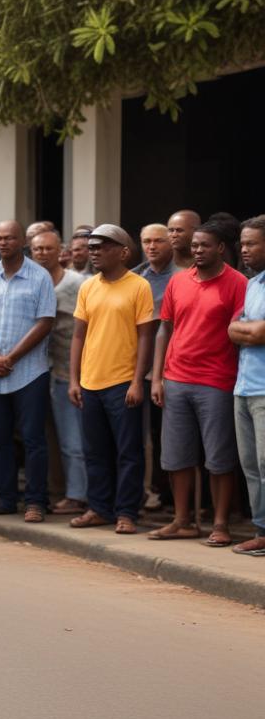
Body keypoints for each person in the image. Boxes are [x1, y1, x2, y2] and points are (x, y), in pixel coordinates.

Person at [148, 222, 247, 547]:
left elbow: (240, 332)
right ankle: (182, 521)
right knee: (176, 457)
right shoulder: (179, 281)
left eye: (205, 245)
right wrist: (158, 376)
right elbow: (165, 329)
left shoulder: (238, 283)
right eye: (195, 246)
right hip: (176, 379)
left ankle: (219, 523)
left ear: (220, 248)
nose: (198, 251)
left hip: (217, 380)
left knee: (218, 458)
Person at [67, 224, 156, 535]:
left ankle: (127, 513)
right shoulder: (88, 287)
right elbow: (78, 335)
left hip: (123, 383)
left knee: (128, 452)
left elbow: (147, 337)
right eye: (91, 247)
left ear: (123, 252)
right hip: (90, 382)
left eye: (102, 246)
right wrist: (74, 380)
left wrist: (137, 381)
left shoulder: (139, 286)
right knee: (95, 451)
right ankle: (99, 508)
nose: (94, 252)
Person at [0, 220, 56, 523]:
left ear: (22, 240)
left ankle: (36, 501)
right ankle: (5, 498)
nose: (3, 243)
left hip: (30, 371)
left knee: (33, 439)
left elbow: (45, 321)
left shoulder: (40, 277)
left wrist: (11, 357)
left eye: (10, 238)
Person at [31, 230, 88, 516]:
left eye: (48, 248)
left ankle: (79, 495)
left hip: (74, 370)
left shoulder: (78, 283)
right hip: (41, 369)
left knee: (74, 439)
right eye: (37, 249)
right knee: (54, 439)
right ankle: (66, 491)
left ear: (60, 251)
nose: (42, 253)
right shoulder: (29, 282)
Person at [134, 223, 183, 510]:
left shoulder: (183, 277)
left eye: (158, 241)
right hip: (139, 368)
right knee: (143, 438)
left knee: (168, 437)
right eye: (146, 241)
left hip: (171, 368)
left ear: (171, 244)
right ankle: (151, 493)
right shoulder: (136, 277)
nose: (151, 247)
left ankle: (172, 499)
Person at [228, 215, 265, 556]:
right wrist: (247, 330)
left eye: (252, 243)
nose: (244, 250)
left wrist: (247, 330)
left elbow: (257, 333)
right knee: (251, 465)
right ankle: (261, 529)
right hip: (244, 386)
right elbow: (234, 329)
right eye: (243, 243)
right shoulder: (253, 284)